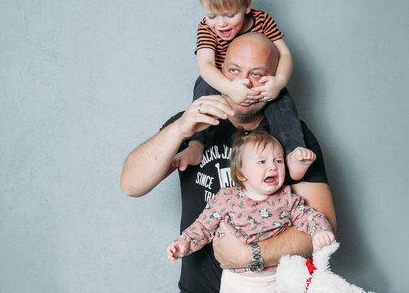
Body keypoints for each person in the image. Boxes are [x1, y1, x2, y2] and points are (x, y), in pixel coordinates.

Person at [120, 32, 336, 293]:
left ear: (275, 79)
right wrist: (179, 129)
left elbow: (324, 226)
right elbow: (131, 184)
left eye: (257, 74)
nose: (244, 83)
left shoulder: (293, 138)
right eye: (234, 70)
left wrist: (250, 255)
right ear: (219, 71)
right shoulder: (192, 124)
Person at [177, 0, 315, 182]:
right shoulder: (205, 27)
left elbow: (286, 55)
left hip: (258, 85)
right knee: (202, 89)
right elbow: (205, 65)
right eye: (212, 16)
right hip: (222, 81)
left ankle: (292, 153)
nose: (220, 24)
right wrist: (229, 88)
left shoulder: (262, 20)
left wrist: (278, 82)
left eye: (230, 15)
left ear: (247, 5)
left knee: (283, 102)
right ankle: (196, 145)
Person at [166, 130, 335, 293]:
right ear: (241, 173)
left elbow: (309, 216)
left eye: (278, 161)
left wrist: (320, 230)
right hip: (238, 281)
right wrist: (183, 244)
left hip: (279, 278)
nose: (273, 167)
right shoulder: (226, 198)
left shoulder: (286, 197)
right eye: (262, 162)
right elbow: (203, 226)